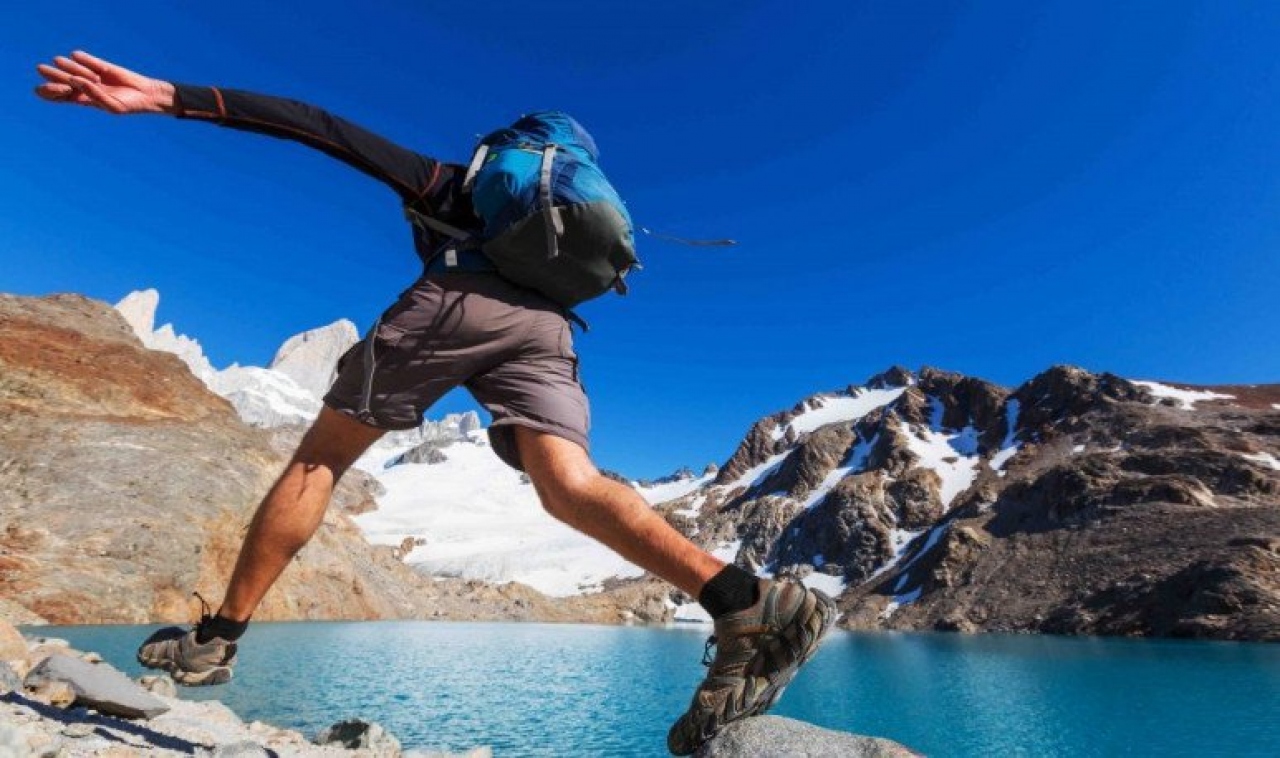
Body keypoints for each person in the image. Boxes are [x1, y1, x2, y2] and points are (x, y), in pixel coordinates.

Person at [34, 50, 836, 755]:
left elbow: (318, 125)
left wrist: (169, 95)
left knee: (320, 459)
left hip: (458, 301)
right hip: (549, 331)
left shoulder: (454, 184)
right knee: (571, 486)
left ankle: (217, 640)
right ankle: (742, 601)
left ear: (505, 158)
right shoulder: (568, 236)